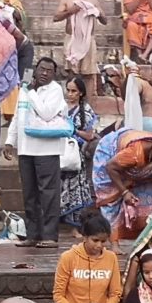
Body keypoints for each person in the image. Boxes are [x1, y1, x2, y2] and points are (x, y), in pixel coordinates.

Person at [4, 57, 67, 248]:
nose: (44, 73)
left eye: (49, 70)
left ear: (54, 74)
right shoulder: (25, 90)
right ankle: (33, 234)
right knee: (30, 193)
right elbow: (17, 116)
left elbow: (46, 113)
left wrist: (31, 92)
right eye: (41, 69)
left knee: (48, 193)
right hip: (25, 148)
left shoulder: (55, 90)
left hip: (46, 149)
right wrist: (10, 141)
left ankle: (49, 236)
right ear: (35, 69)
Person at [91, 128, 152, 243]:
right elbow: (110, 167)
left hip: (133, 167)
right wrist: (124, 192)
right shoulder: (135, 153)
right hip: (110, 156)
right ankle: (114, 243)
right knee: (111, 201)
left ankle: (146, 240)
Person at [54, 0, 107, 86]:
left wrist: (96, 13)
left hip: (88, 41)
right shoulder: (67, 0)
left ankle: (88, 100)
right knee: (72, 72)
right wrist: (70, 11)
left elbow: (104, 21)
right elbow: (56, 17)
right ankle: (72, 96)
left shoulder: (92, 1)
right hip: (72, 39)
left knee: (89, 73)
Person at [60, 76, 98, 231]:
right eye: (68, 90)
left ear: (80, 93)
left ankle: (76, 228)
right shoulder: (61, 107)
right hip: (60, 152)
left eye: (74, 91)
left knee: (77, 190)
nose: (70, 94)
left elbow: (90, 135)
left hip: (77, 155)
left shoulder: (86, 110)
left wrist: (73, 130)